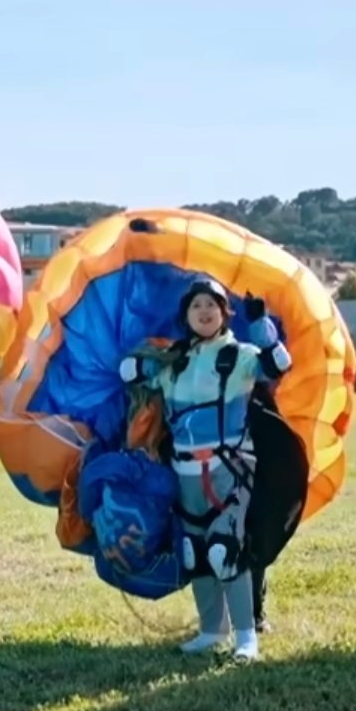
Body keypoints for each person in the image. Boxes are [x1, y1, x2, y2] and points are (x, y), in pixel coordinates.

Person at [119, 278, 291, 663]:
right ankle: (213, 631)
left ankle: (246, 636)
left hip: (230, 469)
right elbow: (129, 373)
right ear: (186, 315)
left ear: (224, 313)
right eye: (196, 306)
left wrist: (262, 325)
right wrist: (146, 353)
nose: (204, 312)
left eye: (211, 305)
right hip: (185, 475)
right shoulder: (175, 363)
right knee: (193, 552)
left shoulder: (240, 355)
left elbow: (278, 364)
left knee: (224, 549)